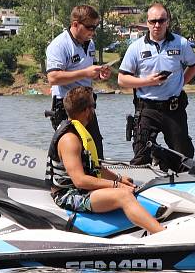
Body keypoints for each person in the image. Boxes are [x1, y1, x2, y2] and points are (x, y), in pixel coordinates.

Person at [46, 86, 165, 234]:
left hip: (80, 190)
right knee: (124, 196)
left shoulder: (78, 133)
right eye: (93, 106)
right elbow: (80, 181)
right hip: (68, 196)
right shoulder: (70, 139)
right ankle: (163, 234)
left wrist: (120, 179)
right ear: (87, 110)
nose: (94, 111)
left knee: (135, 188)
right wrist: (117, 186)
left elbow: (95, 168)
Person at [118, 3, 195, 165]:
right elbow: (122, 79)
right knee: (141, 157)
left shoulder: (181, 43)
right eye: (153, 21)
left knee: (183, 157)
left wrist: (181, 82)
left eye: (161, 21)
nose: (157, 25)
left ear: (167, 22)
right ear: (147, 22)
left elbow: (194, 65)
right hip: (147, 109)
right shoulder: (136, 47)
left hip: (173, 109)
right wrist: (149, 81)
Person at [46, 4, 110, 158]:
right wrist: (85, 73)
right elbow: (53, 78)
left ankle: (97, 179)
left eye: (95, 27)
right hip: (66, 106)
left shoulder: (90, 44)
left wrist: (97, 74)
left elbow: (86, 73)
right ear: (75, 24)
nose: (93, 32)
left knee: (95, 150)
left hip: (87, 105)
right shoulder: (59, 45)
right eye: (89, 27)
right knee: (73, 151)